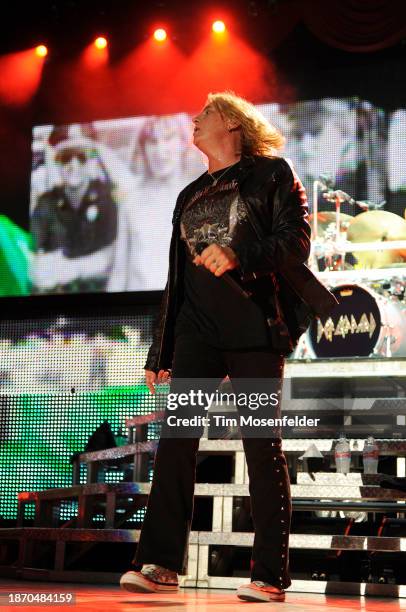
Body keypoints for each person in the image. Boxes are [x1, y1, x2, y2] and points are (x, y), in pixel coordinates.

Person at [120, 91, 337, 602]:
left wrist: (239, 253)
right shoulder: (189, 194)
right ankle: (159, 564)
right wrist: (161, 351)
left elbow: (295, 244)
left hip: (255, 326)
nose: (194, 120)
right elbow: (175, 280)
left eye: (206, 115)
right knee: (176, 441)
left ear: (234, 127)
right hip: (197, 332)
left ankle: (268, 575)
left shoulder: (271, 174)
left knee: (261, 445)